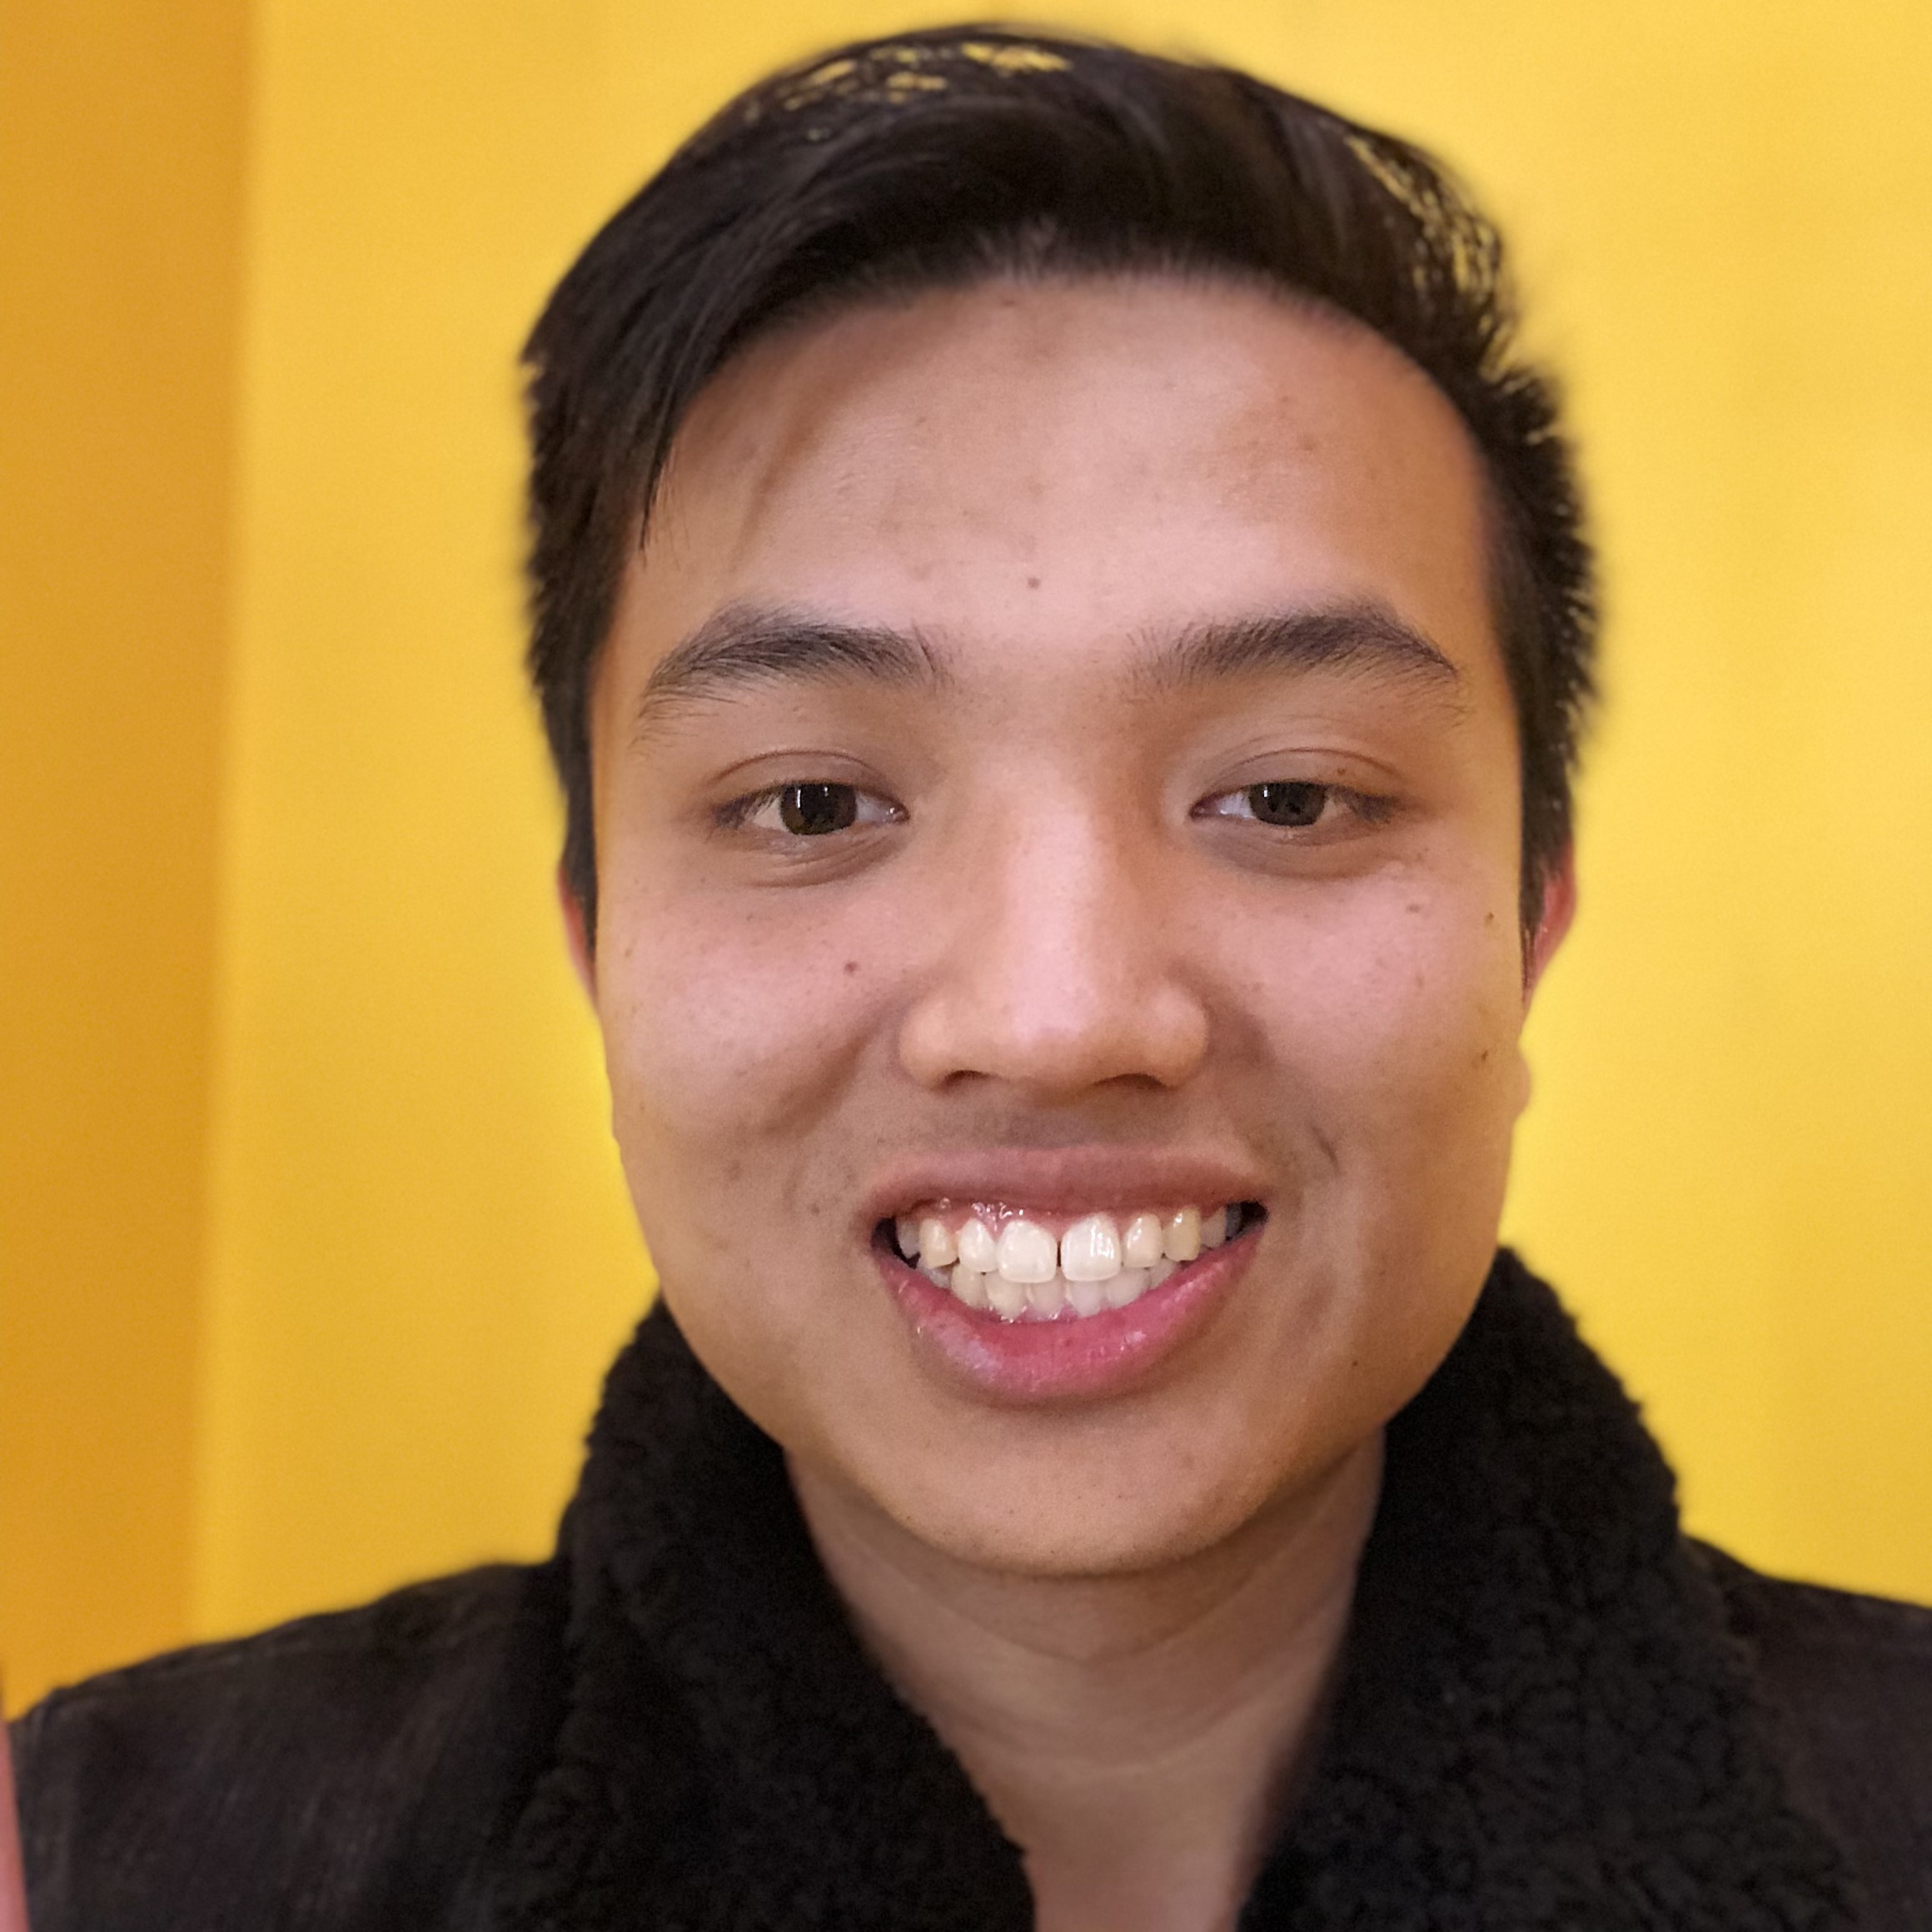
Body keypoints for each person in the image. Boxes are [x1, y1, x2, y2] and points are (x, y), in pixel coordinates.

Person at [11, 24, 1932, 1930]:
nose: (1054, 1012)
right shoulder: (103, 1860)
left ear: (1527, 920)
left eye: (1284, 790)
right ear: (597, 938)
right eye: (814, 799)